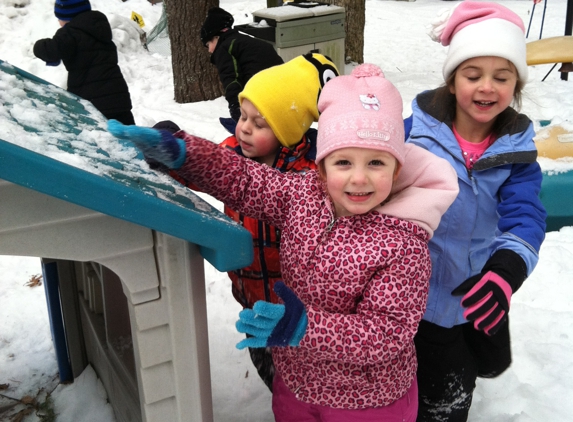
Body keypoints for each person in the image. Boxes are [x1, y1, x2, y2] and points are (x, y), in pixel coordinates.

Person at [107, 63, 459, 421]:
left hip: (367, 401)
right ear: (321, 167)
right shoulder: (304, 194)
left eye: (375, 162)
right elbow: (244, 180)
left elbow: (386, 333)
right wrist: (185, 154)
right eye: (342, 162)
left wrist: (305, 327)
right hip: (295, 383)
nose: (358, 178)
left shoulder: (404, 244)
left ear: (396, 169)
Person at [403, 1, 548, 420]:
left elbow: (526, 216)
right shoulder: (414, 134)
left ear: (515, 86)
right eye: (473, 75)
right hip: (411, 288)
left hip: (474, 288)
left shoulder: (516, 153)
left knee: (460, 381)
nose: (487, 87)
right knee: (417, 385)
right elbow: (367, 165)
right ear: (451, 82)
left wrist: (507, 269)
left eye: (502, 77)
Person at [33, 0, 135, 125]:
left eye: (59, 18)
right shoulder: (99, 27)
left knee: (103, 139)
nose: (59, 23)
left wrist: (37, 46)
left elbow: (52, 50)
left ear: (67, 17)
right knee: (130, 135)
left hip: (94, 101)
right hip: (118, 96)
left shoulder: (71, 33)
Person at [200, 6, 284, 122]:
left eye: (208, 44)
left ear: (216, 36)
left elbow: (231, 77)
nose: (209, 50)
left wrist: (235, 105)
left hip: (258, 93)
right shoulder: (243, 41)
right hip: (281, 87)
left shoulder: (224, 48)